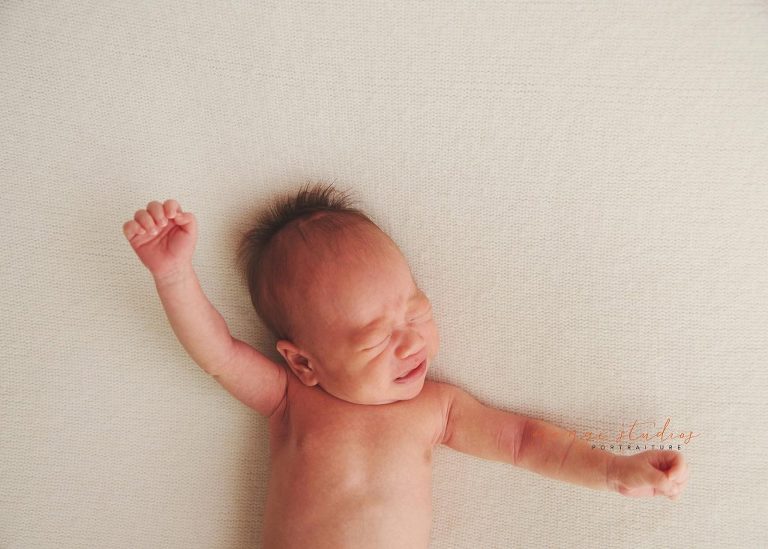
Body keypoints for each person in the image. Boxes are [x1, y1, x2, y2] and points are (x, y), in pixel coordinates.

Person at [122, 182, 689, 548]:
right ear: (304, 362)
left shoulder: (436, 407)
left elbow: (524, 441)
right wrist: (173, 276)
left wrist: (614, 469)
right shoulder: (290, 400)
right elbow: (218, 352)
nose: (409, 343)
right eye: (374, 340)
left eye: (416, 313)